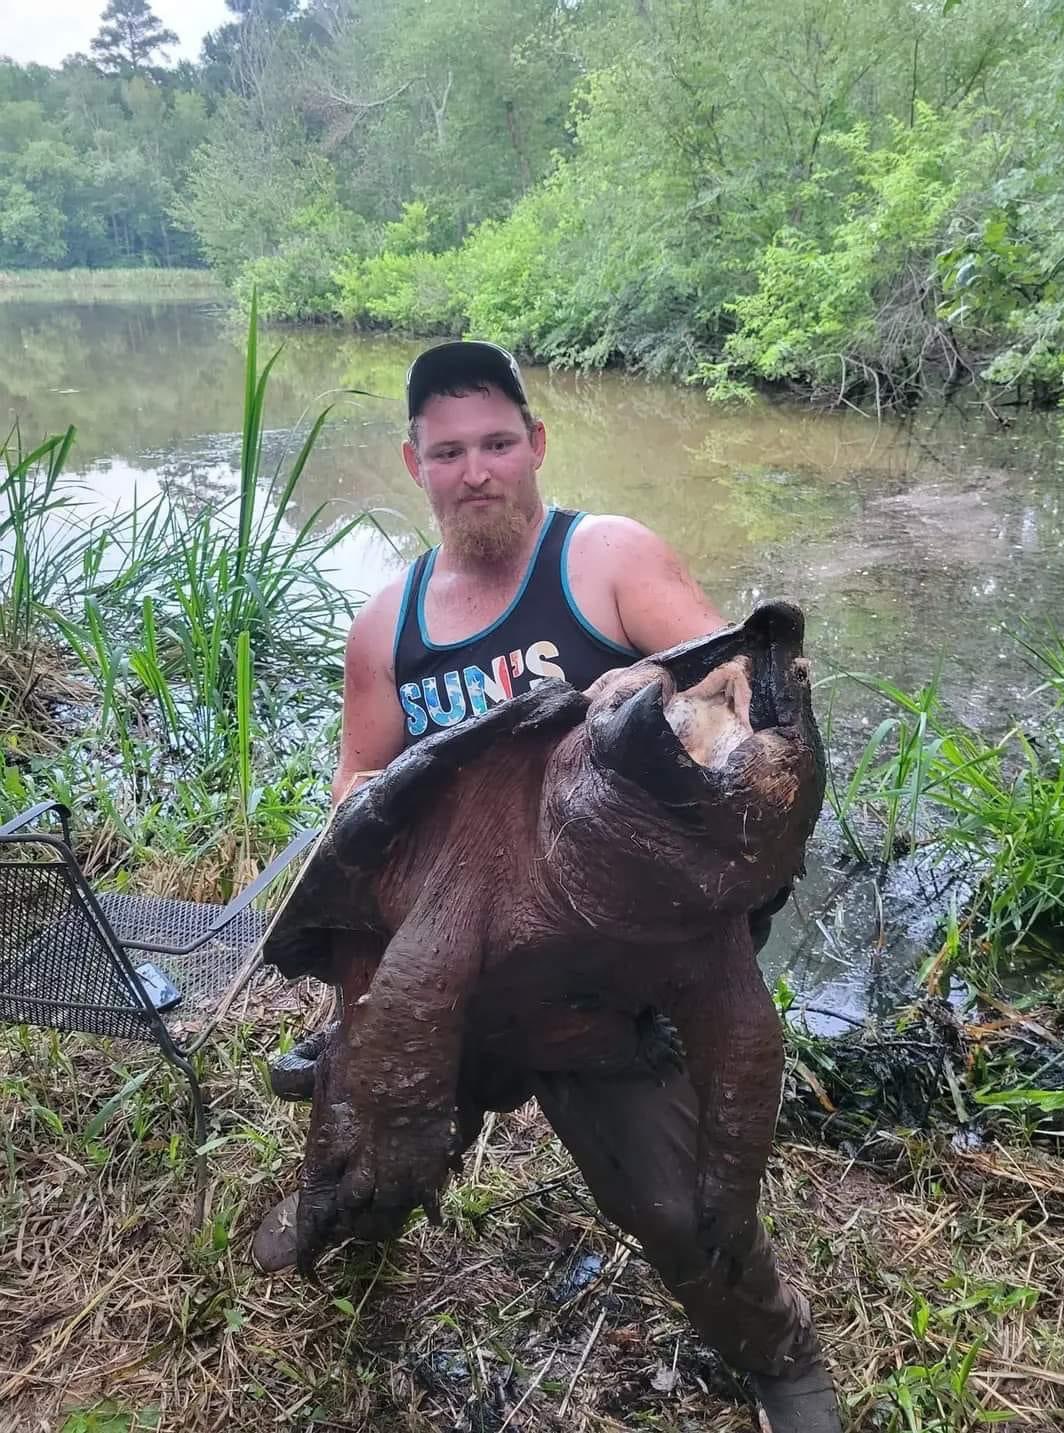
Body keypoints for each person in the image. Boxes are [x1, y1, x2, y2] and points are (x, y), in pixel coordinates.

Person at [254, 341, 841, 1432]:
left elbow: (722, 678)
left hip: (612, 960)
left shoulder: (604, 558)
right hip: (455, 937)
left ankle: (780, 1354)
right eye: (447, 451)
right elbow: (356, 781)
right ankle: (351, 1219)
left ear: (535, 444)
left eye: (493, 443)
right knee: (377, 1103)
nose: (474, 469)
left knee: (674, 1204)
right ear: (413, 464)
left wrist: (710, 707)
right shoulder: (388, 625)